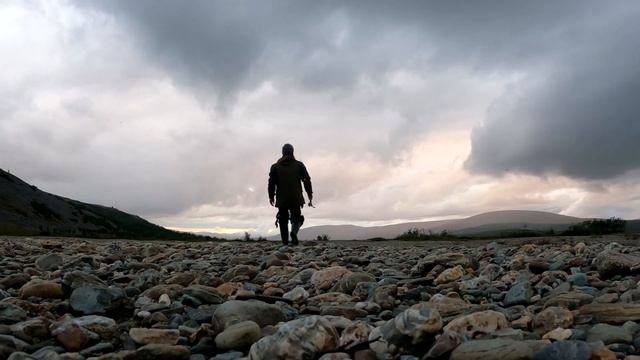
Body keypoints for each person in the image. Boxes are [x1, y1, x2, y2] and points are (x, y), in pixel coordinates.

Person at [268, 143, 313, 246]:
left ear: (282, 153)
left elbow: (271, 183)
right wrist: (309, 194)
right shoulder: (299, 165)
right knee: (296, 217)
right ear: (293, 152)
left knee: (282, 218)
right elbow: (307, 180)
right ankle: (294, 232)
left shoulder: (275, 167)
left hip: (281, 198)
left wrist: (271, 196)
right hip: (296, 197)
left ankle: (285, 243)